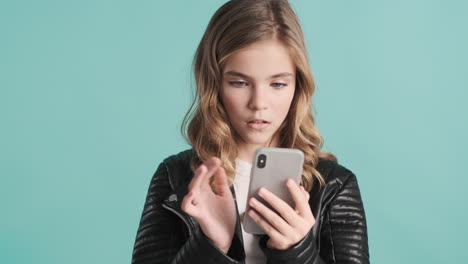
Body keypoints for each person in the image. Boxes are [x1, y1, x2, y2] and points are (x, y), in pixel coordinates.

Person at [131, 0, 369, 263]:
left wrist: (298, 251)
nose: (258, 103)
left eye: (277, 84)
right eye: (239, 82)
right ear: (214, 83)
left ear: (297, 86)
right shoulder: (175, 177)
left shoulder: (334, 186)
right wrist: (211, 245)